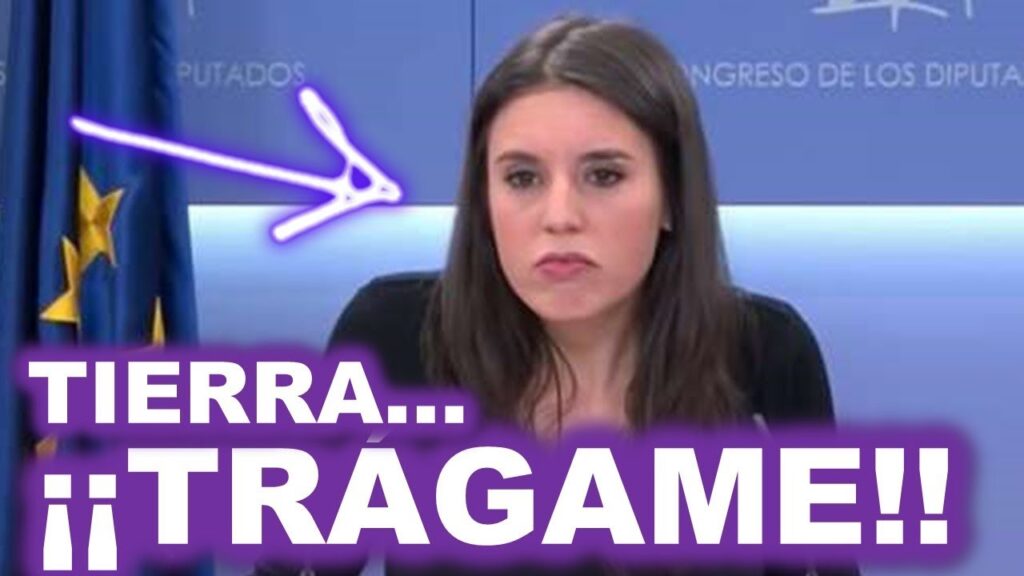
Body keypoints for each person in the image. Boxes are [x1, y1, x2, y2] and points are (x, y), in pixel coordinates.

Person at [256, 15, 857, 576]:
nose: (560, 215)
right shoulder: (393, 337)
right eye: (522, 178)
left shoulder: (765, 354)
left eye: (604, 175)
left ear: (673, 198)